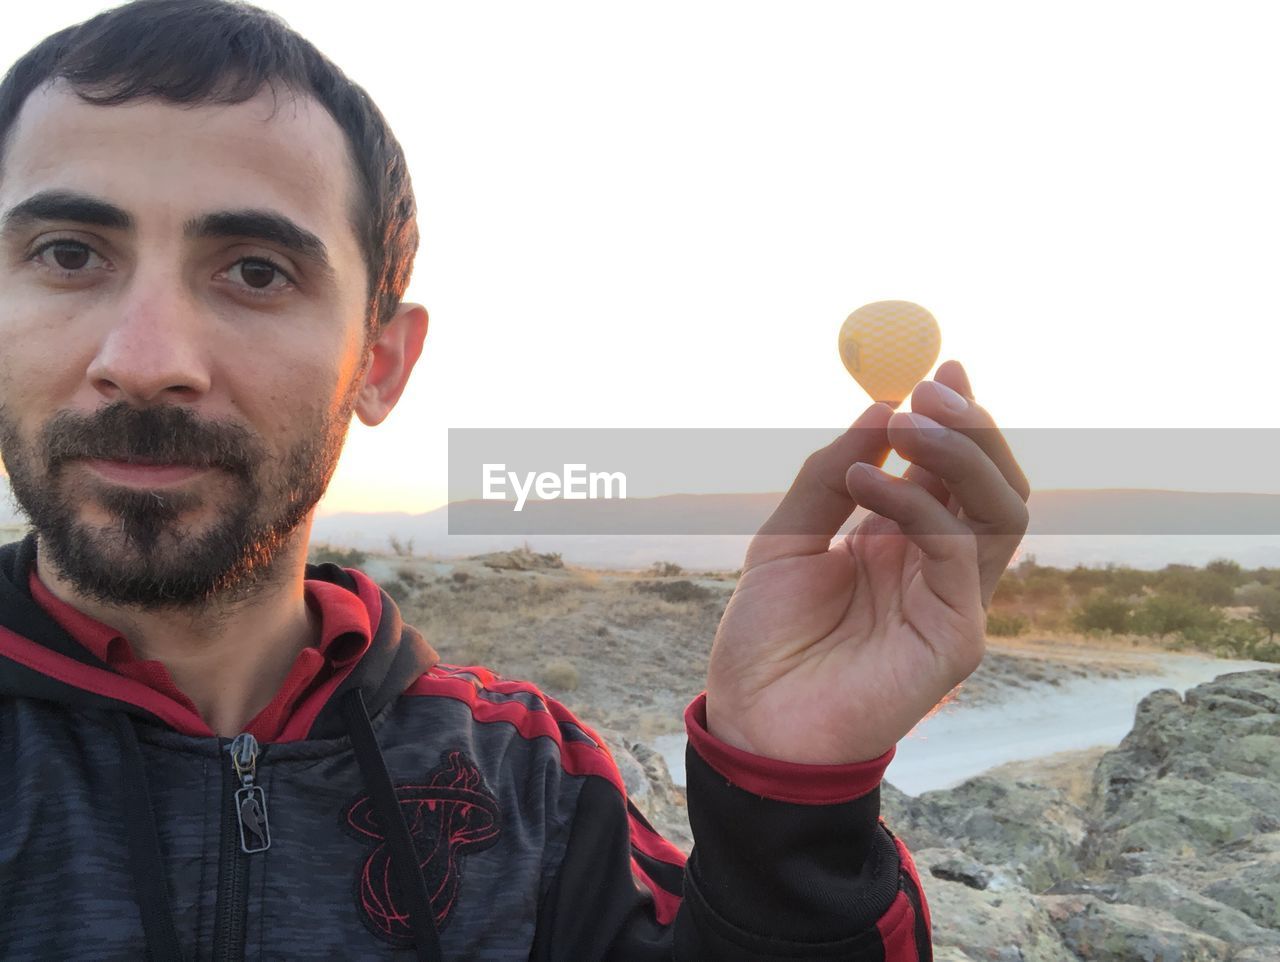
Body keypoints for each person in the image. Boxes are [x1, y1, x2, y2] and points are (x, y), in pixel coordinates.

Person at [0, 1, 1031, 959]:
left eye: (256, 271)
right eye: (67, 252)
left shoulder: (533, 783)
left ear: (380, 363)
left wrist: (787, 790)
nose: (144, 356)